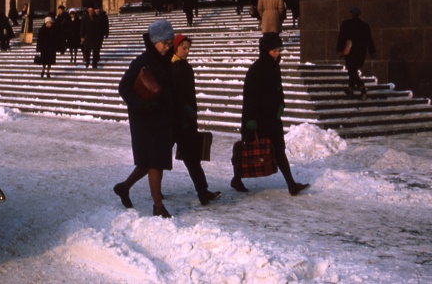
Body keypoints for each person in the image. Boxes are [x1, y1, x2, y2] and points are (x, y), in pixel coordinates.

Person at [231, 32, 309, 196]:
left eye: (278, 50)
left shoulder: (274, 66)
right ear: (265, 50)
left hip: (272, 117)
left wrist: (281, 103)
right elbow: (250, 96)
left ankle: (291, 184)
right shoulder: (256, 69)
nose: (277, 53)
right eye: (273, 50)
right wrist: (250, 119)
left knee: (279, 149)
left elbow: (278, 89)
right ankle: (236, 179)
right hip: (258, 119)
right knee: (249, 149)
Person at [114, 19, 177, 218]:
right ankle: (158, 206)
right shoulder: (141, 61)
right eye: (164, 43)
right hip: (144, 119)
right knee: (155, 162)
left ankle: (124, 187)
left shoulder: (167, 61)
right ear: (154, 41)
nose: (168, 47)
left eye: (170, 43)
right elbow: (123, 88)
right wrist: (141, 104)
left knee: (147, 163)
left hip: (162, 117)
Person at [170, 34, 221, 206]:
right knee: (160, 158)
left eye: (188, 47)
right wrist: (186, 114)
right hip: (176, 121)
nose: (187, 51)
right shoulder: (172, 67)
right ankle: (130, 186)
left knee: (192, 158)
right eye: (183, 47)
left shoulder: (185, 67)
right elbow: (175, 97)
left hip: (187, 119)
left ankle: (203, 191)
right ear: (175, 48)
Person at [336, 6, 376, 99]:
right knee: (352, 70)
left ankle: (362, 88)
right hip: (361, 52)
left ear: (351, 13)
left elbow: (342, 37)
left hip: (349, 51)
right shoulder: (364, 25)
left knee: (352, 71)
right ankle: (350, 89)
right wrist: (372, 51)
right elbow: (368, 39)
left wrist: (340, 50)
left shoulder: (346, 24)